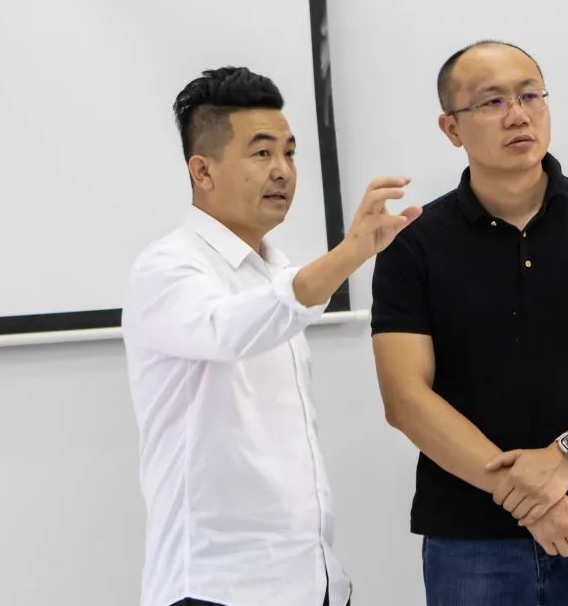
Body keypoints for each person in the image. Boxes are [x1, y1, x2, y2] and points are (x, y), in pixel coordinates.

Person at [370, 40, 568, 605]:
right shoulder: (414, 242)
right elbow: (405, 399)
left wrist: (564, 457)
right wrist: (529, 496)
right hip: (470, 534)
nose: (517, 114)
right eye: (492, 102)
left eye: (530, 95)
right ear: (451, 127)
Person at [122, 66, 420, 606]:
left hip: (309, 584)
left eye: (289, 152)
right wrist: (350, 252)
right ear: (202, 170)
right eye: (261, 153)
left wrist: (328, 576)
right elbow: (228, 331)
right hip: (215, 588)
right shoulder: (167, 268)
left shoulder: (276, 271)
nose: (282, 170)